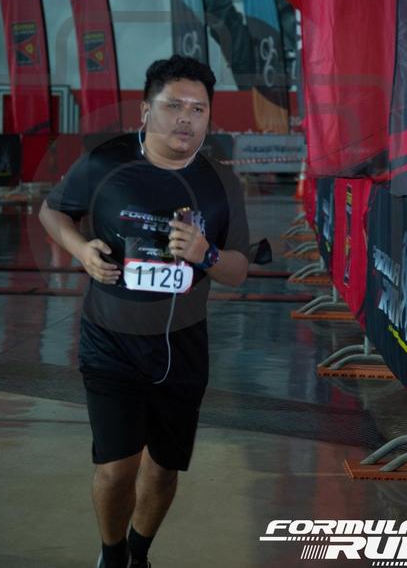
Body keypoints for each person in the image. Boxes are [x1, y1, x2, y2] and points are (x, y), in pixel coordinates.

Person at [39, 55, 250, 568]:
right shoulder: (104, 163)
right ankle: (111, 557)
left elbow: (239, 270)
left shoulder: (221, 183)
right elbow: (52, 211)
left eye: (198, 109)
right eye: (173, 105)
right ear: (144, 111)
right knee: (117, 468)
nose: (186, 118)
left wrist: (206, 254)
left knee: (163, 468)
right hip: (109, 341)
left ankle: (139, 552)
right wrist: (81, 249)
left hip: (182, 346)